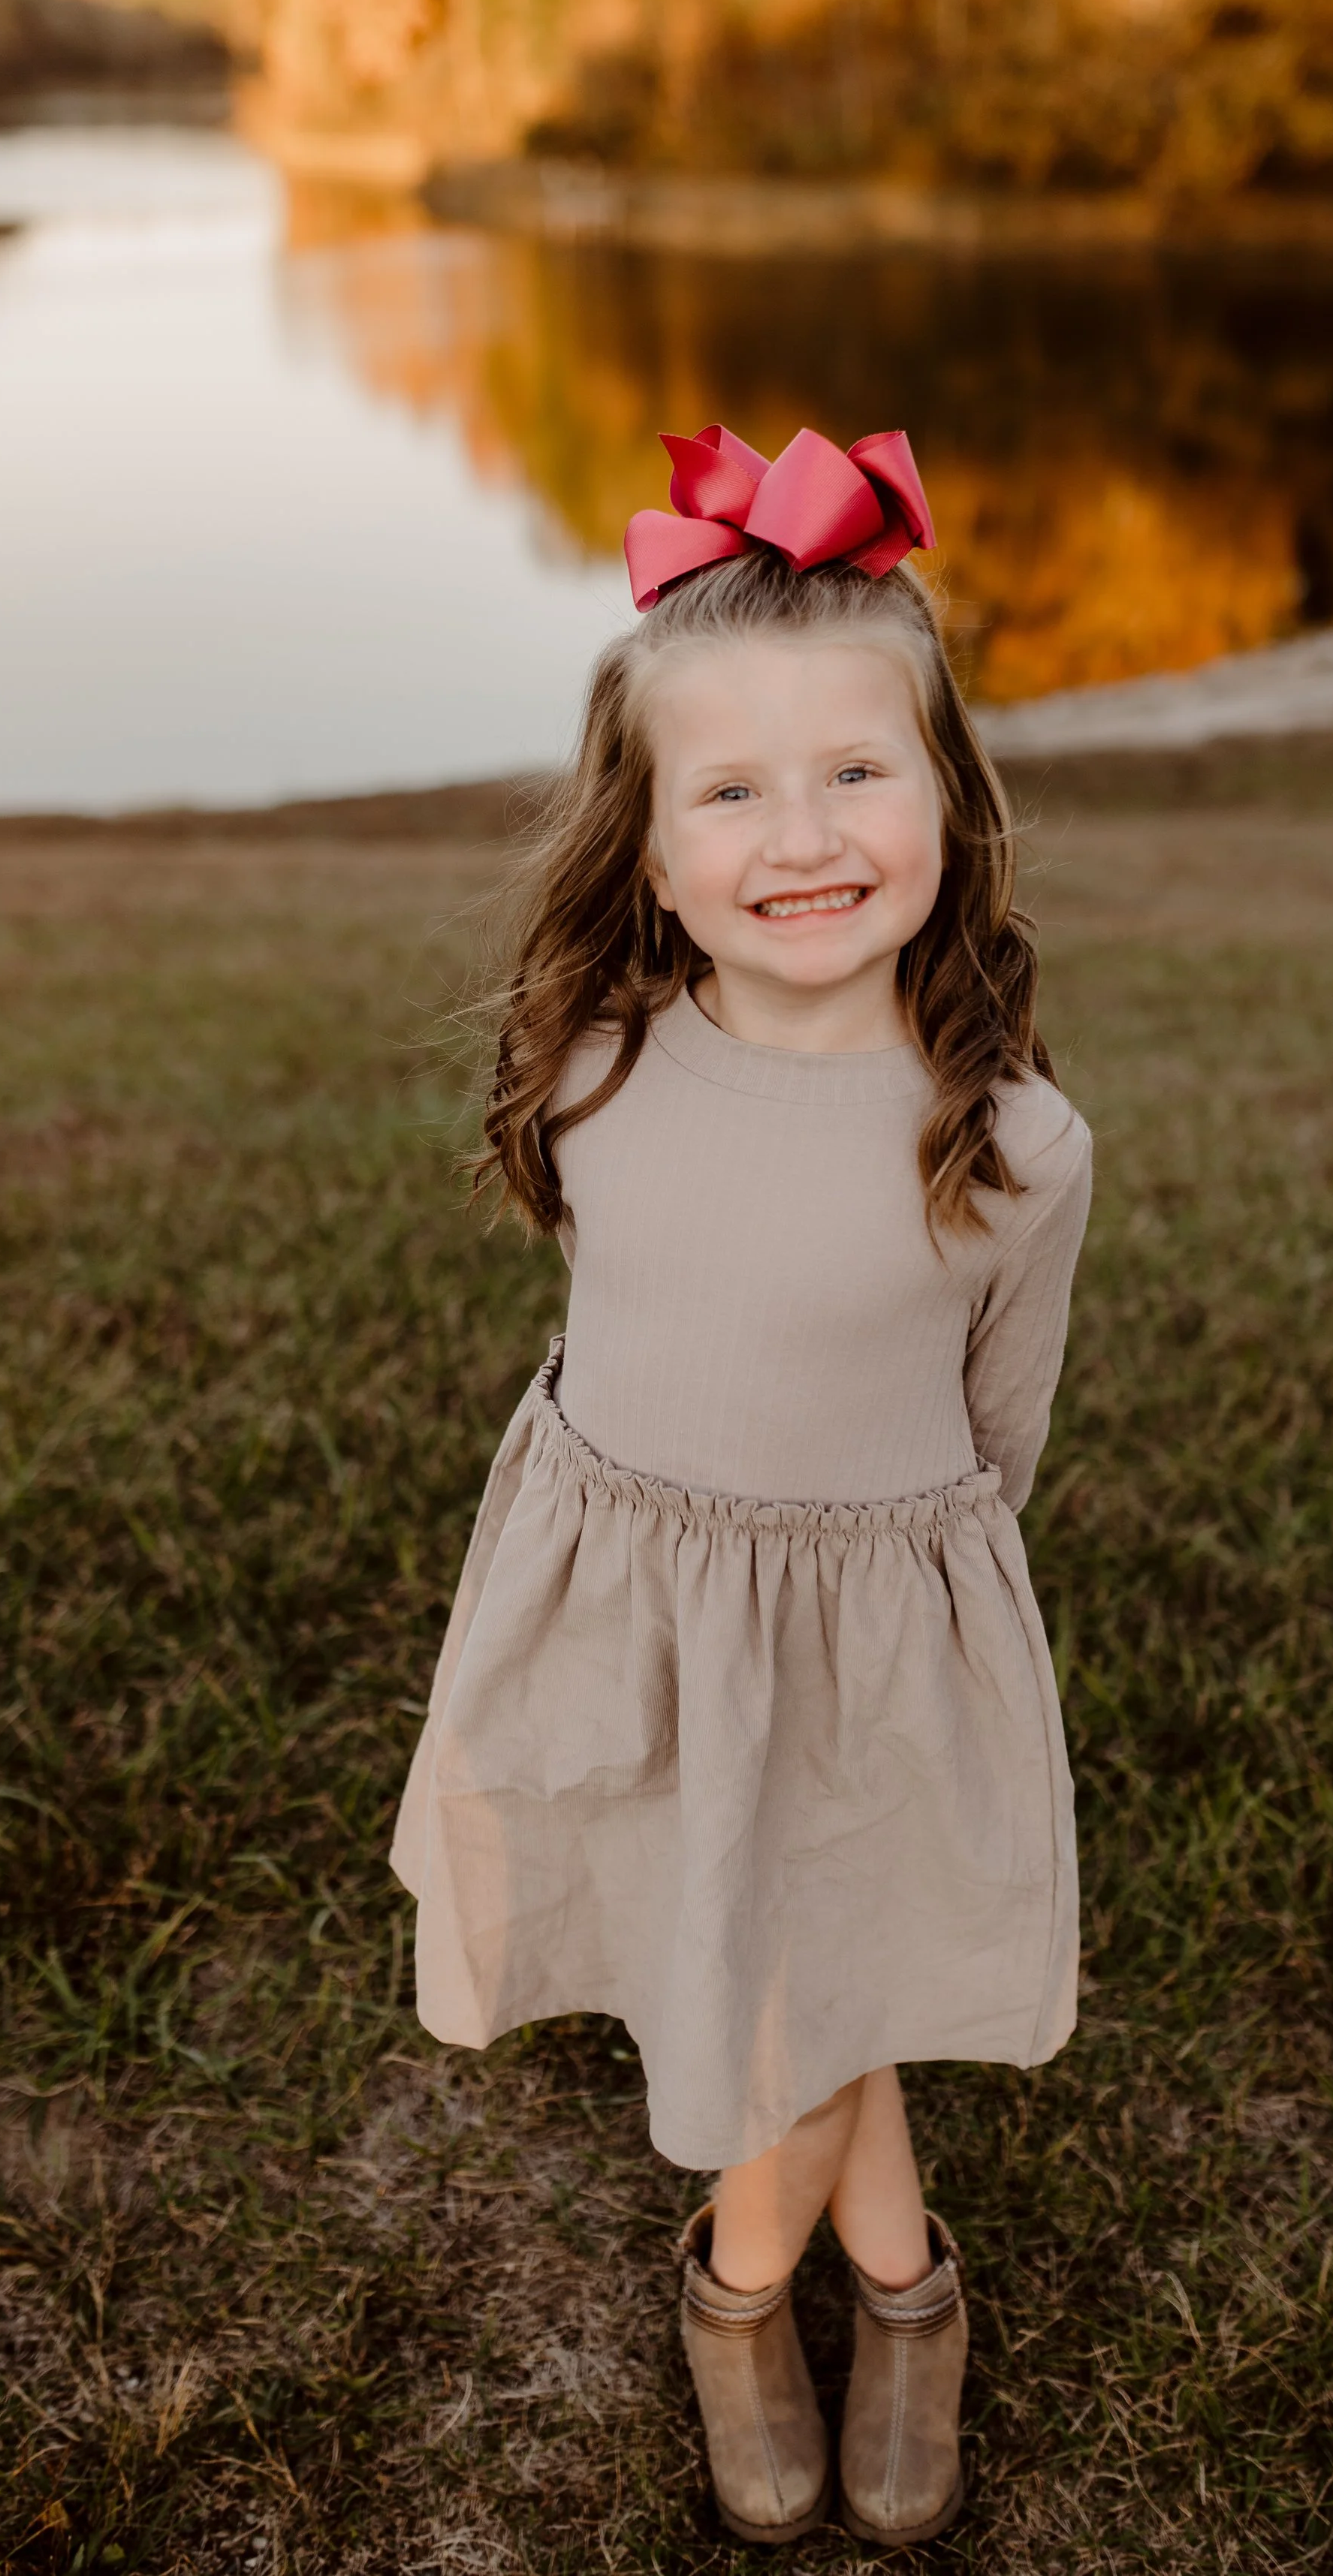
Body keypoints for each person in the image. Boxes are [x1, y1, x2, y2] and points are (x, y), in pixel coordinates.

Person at [391, 422, 1093, 2548]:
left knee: (792, 1966)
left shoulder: (1010, 1148)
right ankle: (900, 2283)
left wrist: (907, 1614)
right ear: (655, 855)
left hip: (876, 1631)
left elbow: (1002, 1430)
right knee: (782, 1969)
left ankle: (748, 2285)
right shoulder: (594, 1076)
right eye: (730, 790)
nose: (802, 835)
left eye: (855, 773)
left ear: (950, 810)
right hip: (637, 1617)